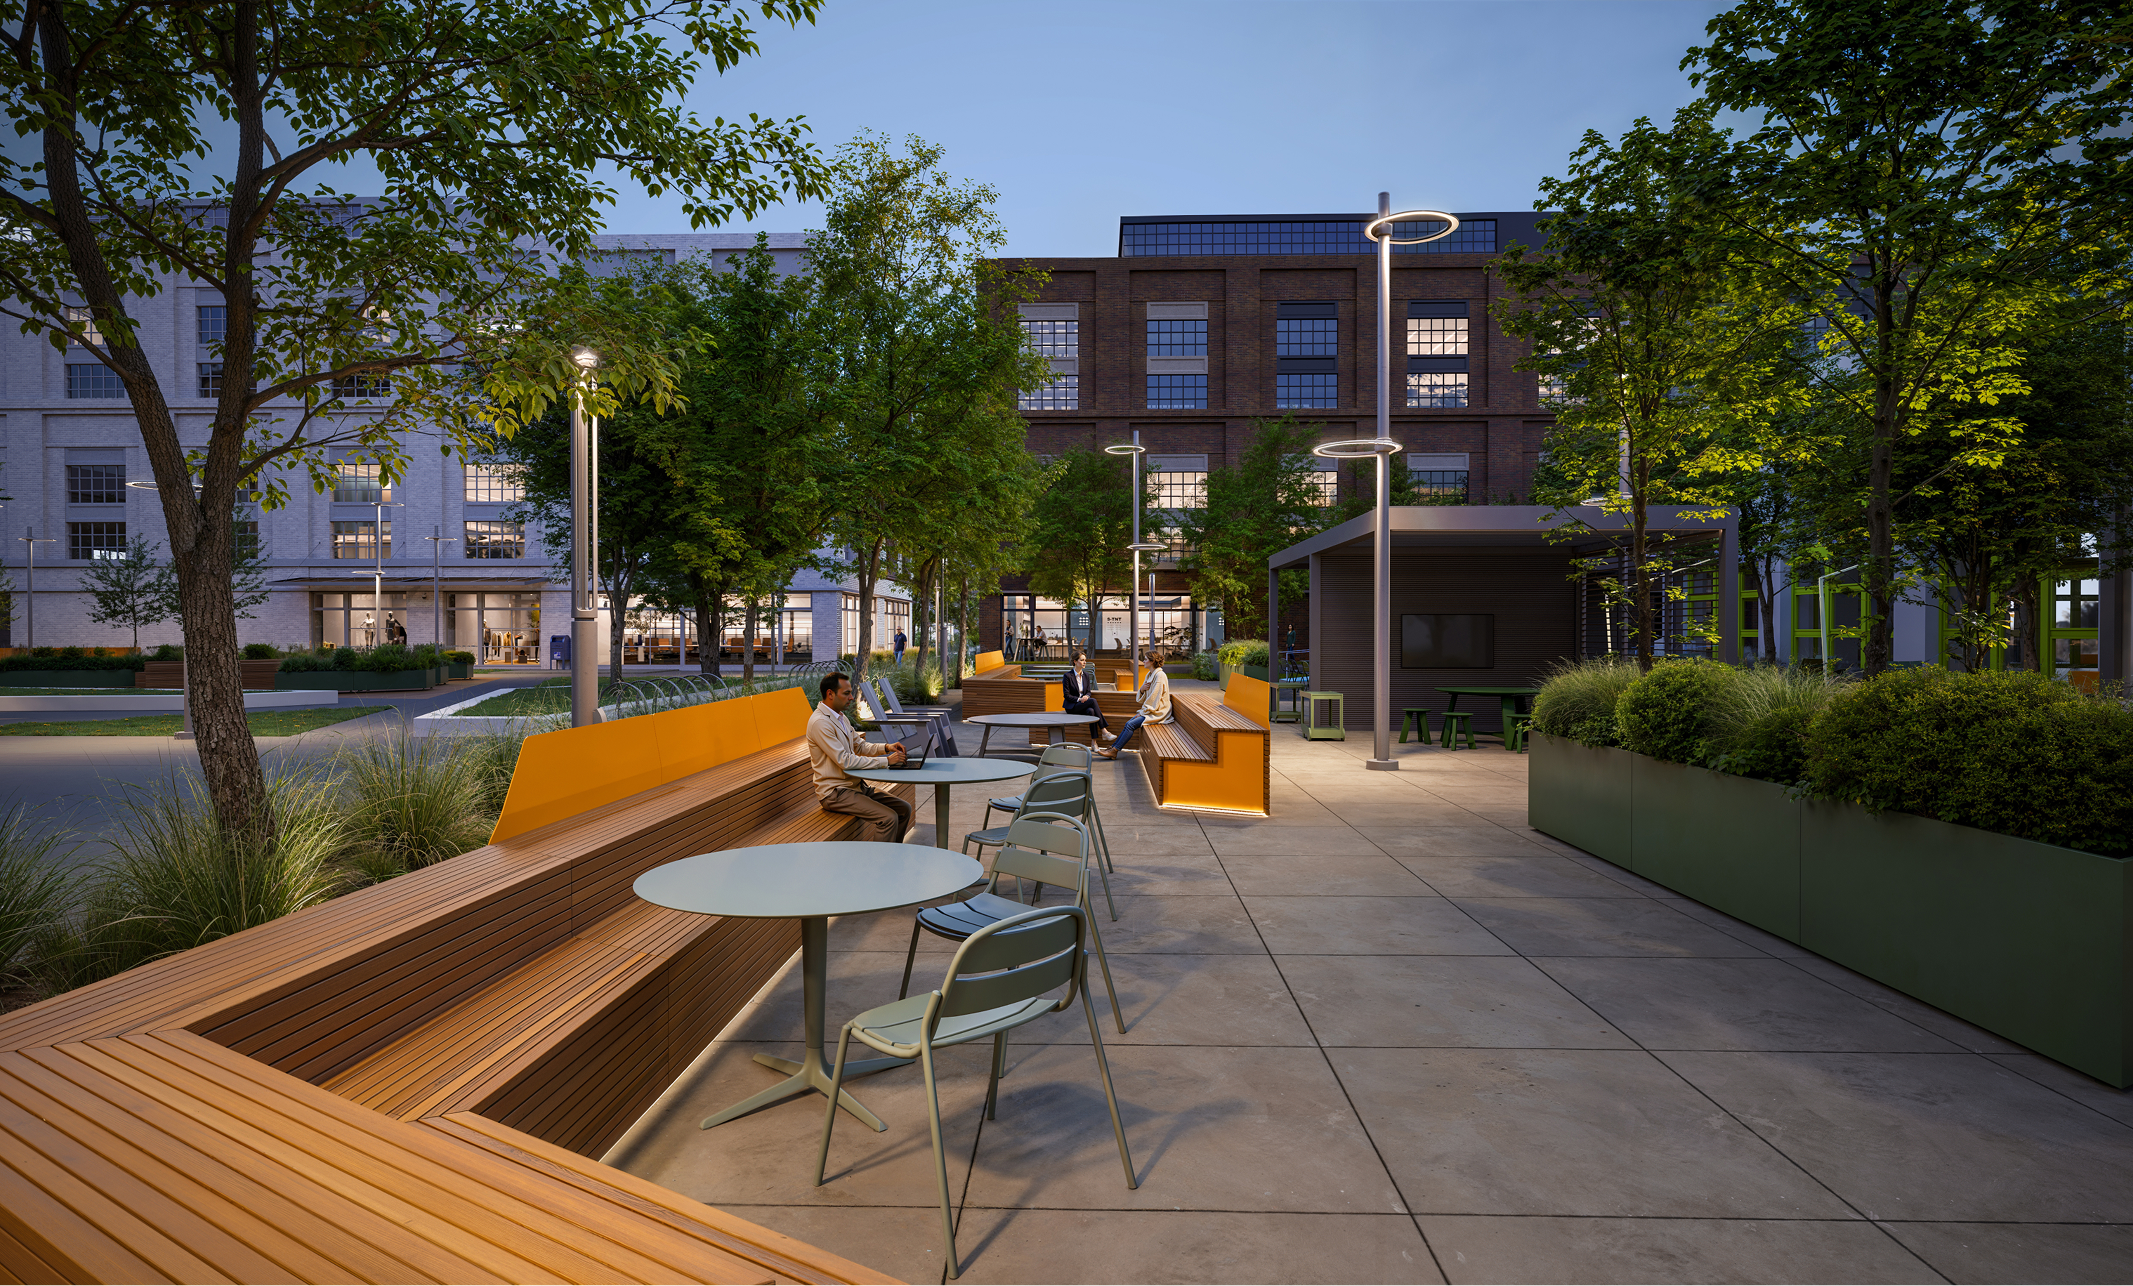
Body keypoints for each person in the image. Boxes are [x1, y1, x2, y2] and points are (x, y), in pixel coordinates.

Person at [808, 672, 913, 842]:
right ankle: (880, 867)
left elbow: (860, 746)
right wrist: (886, 761)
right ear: (830, 694)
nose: (851, 697)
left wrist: (886, 747)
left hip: (855, 786)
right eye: (846, 693)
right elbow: (845, 760)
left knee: (903, 809)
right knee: (888, 818)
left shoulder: (841, 718)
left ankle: (894, 858)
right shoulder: (820, 722)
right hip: (835, 792)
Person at [1095, 648, 1172, 760]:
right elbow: (1141, 699)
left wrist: (1142, 713)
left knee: (1130, 724)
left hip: (1158, 711)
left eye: (1145, 659)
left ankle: (1114, 750)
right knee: (1129, 723)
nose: (1143, 661)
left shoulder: (1160, 676)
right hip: (1150, 710)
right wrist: (1141, 690)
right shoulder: (1149, 675)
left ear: (1152, 661)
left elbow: (1154, 699)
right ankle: (1113, 748)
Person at [1062, 649, 1102, 733]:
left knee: (1091, 711)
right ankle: (1104, 729)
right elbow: (1066, 695)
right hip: (1072, 706)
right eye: (1082, 660)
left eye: (1085, 660)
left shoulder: (1086, 675)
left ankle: (1093, 742)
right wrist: (1079, 699)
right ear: (1075, 661)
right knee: (1093, 701)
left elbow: (1088, 691)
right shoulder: (1067, 676)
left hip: (1082, 704)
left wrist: (1086, 696)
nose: (1084, 662)